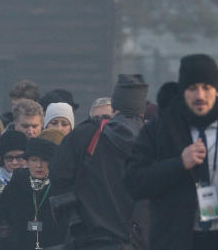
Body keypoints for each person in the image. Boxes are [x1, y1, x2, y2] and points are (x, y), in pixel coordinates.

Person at [124, 54, 218, 250]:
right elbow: (134, 182)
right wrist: (178, 163)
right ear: (182, 92)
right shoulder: (159, 131)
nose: (200, 96)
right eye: (192, 88)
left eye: (206, 88)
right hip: (181, 240)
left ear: (217, 91)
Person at [51, 74, 150, 250]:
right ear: (142, 111)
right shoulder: (154, 142)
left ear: (115, 108)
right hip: (136, 241)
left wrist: (76, 222)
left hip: (89, 239)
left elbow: (59, 180)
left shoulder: (84, 135)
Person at [0, 137, 65, 250]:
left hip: (54, 244)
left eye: (44, 160)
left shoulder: (60, 185)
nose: (39, 165)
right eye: (34, 160)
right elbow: (4, 212)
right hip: (22, 243)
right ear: (27, 162)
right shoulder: (18, 181)